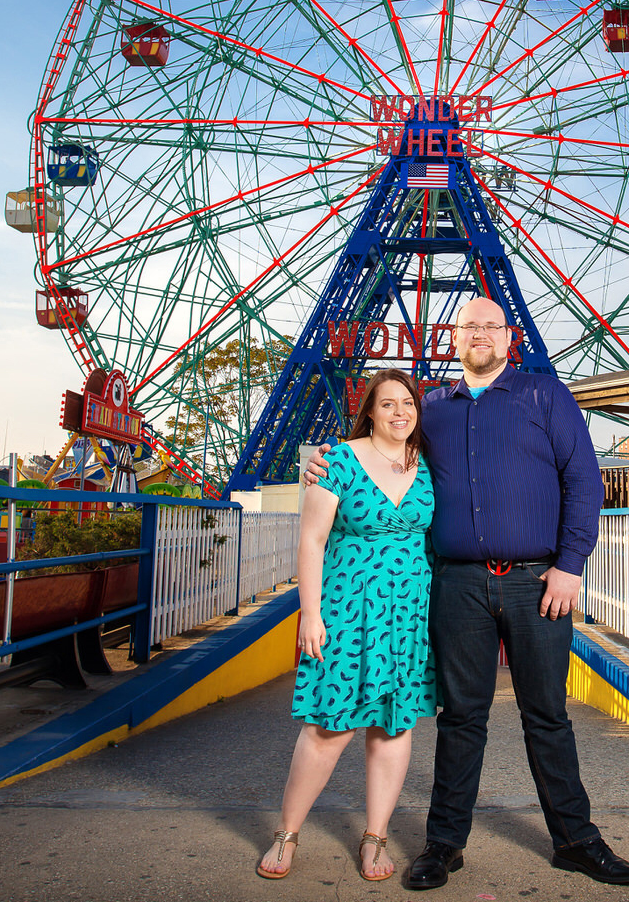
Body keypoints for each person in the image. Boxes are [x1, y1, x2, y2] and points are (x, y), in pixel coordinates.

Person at [305, 297, 629, 890]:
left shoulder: (545, 396)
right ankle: (443, 844)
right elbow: (383, 452)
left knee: (547, 713)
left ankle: (575, 839)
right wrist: (323, 465)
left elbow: (583, 479)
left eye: (490, 326)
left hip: (538, 581)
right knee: (461, 717)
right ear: (453, 338)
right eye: (468, 327)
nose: (479, 335)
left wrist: (570, 565)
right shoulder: (430, 409)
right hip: (457, 582)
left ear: (508, 337)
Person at [257, 369, 439, 882]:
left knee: (393, 726)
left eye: (408, 403)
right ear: (371, 411)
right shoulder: (336, 460)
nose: (400, 413)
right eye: (388, 404)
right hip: (346, 612)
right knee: (328, 728)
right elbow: (311, 541)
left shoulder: (427, 465)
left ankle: (375, 836)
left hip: (406, 615)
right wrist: (310, 613)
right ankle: (288, 832)